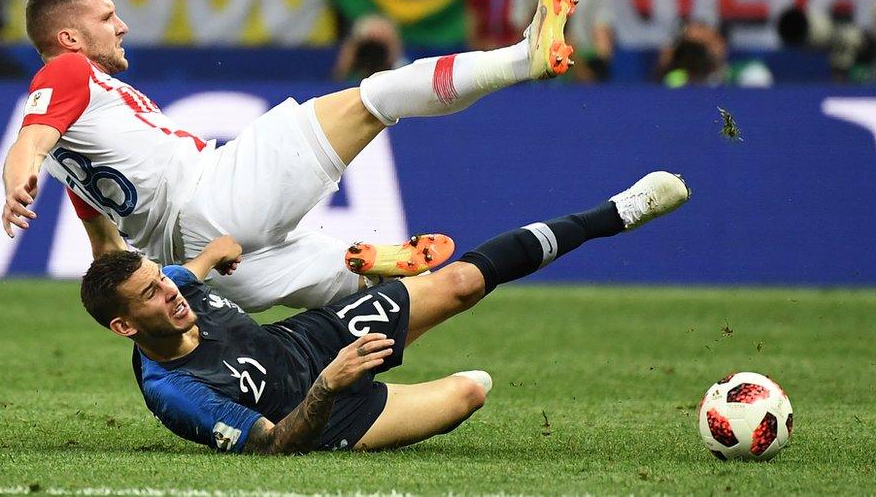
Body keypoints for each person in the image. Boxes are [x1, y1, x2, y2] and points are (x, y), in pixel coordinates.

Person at [2, 0, 579, 313]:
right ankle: (521, 58)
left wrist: (146, 310)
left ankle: (355, 269)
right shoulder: (67, 73)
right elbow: (28, 144)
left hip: (212, 269)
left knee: (355, 296)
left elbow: (105, 252)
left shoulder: (71, 155)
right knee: (374, 99)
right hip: (216, 197)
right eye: (106, 17)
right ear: (69, 36)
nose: (122, 25)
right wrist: (16, 180)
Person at [80, 171, 690, 454]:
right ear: (125, 327)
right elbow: (271, 447)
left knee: (458, 282)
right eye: (154, 294)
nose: (172, 292)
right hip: (325, 415)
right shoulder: (175, 390)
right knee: (470, 391)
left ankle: (617, 211)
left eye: (162, 277)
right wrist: (328, 386)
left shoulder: (175, 289)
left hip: (312, 339)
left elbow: (194, 269)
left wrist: (215, 252)